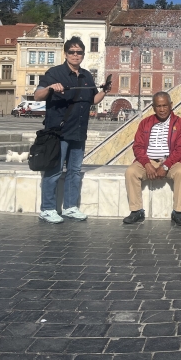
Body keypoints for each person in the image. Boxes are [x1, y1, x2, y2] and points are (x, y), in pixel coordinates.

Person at [34, 36, 108, 224]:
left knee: (74, 171)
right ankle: (47, 209)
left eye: (79, 52)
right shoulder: (55, 73)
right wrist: (50, 88)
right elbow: (37, 96)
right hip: (59, 132)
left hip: (79, 131)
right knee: (54, 171)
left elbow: (92, 100)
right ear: (66, 54)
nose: (75, 55)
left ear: (83, 54)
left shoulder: (87, 76)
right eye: (72, 52)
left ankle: (70, 207)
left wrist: (105, 91)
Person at [123, 91, 181, 226]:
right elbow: (138, 146)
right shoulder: (145, 123)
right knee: (131, 172)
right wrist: (147, 164)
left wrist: (165, 166)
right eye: (158, 106)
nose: (162, 109)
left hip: (171, 161)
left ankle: (177, 212)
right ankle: (136, 211)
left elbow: (180, 149)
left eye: (165, 105)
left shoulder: (180, 123)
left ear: (171, 105)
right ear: (153, 107)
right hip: (149, 160)